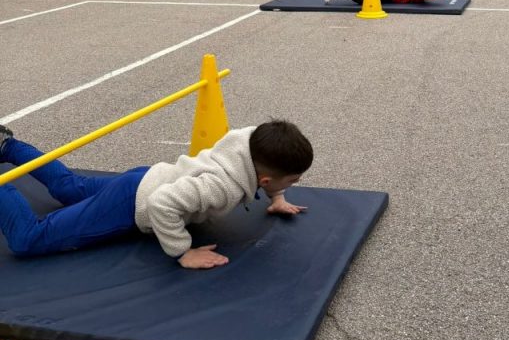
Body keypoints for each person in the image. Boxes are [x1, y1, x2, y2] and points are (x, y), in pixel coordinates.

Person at [0, 119, 313, 269]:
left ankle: (7, 145)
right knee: (28, 239)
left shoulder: (250, 140)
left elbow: (268, 166)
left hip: (148, 177)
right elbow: (161, 204)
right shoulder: (221, 188)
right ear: (265, 179)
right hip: (133, 204)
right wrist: (183, 252)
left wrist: (277, 198)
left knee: (68, 187)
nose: (294, 182)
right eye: (292, 180)